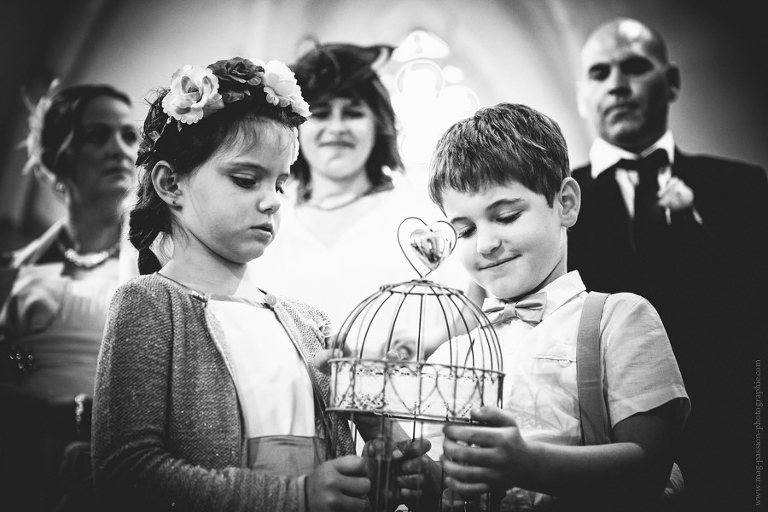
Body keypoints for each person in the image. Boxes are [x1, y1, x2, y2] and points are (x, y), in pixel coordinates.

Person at [91, 56, 435, 512]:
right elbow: (125, 471)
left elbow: (335, 469)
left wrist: (377, 467)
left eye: (280, 184)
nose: (272, 201)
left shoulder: (308, 322)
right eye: (246, 179)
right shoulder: (149, 304)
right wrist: (296, 497)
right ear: (171, 183)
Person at [423, 102, 689, 511]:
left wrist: (526, 464)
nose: (486, 244)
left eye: (506, 216)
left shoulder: (619, 319)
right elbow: (440, 483)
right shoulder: (450, 355)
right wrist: (385, 442)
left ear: (565, 203)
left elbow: (650, 467)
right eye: (466, 230)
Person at [567, 17, 768, 510]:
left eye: (635, 67)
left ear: (672, 81)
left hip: (732, 438)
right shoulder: (558, 204)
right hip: (604, 444)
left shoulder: (741, 186)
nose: (617, 84)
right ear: (582, 96)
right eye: (599, 73)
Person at [249, 42, 478, 360]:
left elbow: (467, 312)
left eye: (353, 113)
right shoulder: (267, 212)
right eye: (321, 114)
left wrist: (420, 346)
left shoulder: (421, 215)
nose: (337, 128)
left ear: (378, 125)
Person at [0, 82, 139, 512]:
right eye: (97, 136)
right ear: (59, 158)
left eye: (129, 135)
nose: (119, 149)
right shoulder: (14, 272)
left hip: (113, 472)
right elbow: (10, 366)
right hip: (23, 462)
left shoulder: (153, 264)